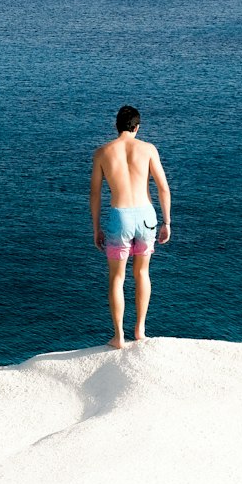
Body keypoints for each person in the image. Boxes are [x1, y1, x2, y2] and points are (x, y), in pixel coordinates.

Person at [90, 105, 171, 349]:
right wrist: (167, 222)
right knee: (142, 273)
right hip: (146, 215)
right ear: (137, 127)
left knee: (117, 278)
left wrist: (96, 229)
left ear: (117, 125)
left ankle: (118, 336)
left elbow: (95, 194)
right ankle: (140, 330)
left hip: (119, 217)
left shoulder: (103, 152)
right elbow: (163, 187)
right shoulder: (148, 149)